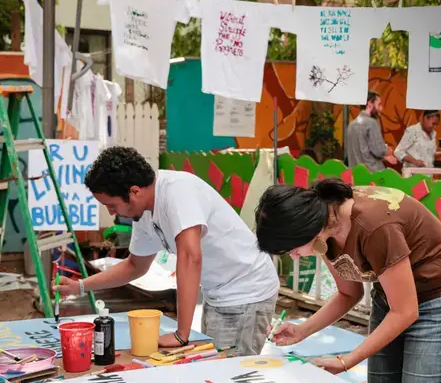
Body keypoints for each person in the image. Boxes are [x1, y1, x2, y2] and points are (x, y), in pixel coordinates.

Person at [255, 179, 441, 383]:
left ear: (304, 227)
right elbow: (350, 293)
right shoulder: (323, 229)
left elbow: (405, 311)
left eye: (292, 250)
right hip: (391, 300)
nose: (297, 257)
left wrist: (347, 360)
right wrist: (302, 330)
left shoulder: (372, 225)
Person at [53, 147, 279, 355]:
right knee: (214, 368)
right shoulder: (144, 212)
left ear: (134, 191)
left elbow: (191, 257)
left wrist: (182, 335)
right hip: (218, 294)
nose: (112, 213)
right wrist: (80, 286)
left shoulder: (177, 191)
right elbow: (134, 266)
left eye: (111, 205)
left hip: (248, 290)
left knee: (232, 376)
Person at [345, 91, 397, 172]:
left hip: (355, 174)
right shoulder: (371, 123)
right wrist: (387, 151)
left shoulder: (351, 125)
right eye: (379, 104)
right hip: (372, 174)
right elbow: (379, 151)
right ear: (369, 104)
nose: (381, 108)